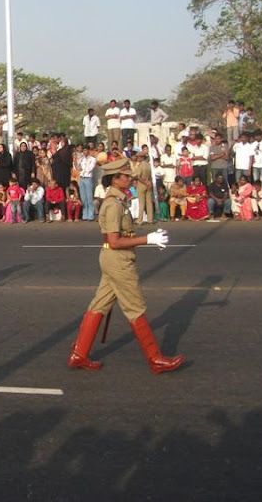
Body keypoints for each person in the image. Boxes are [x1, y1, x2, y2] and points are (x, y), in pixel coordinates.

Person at [67, 158, 183, 374]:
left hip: (113, 259)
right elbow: (115, 241)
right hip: (118, 260)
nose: (130, 178)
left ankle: (79, 354)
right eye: (126, 175)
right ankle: (155, 359)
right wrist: (147, 240)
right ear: (115, 179)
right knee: (135, 307)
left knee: (99, 305)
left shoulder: (119, 201)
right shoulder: (113, 204)